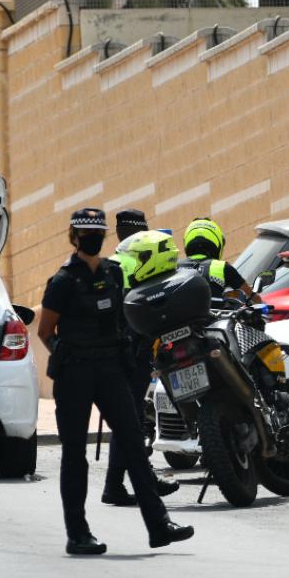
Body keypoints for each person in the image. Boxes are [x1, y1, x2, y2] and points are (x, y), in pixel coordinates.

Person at [38, 209, 193, 555]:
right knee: (74, 455)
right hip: (76, 373)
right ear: (74, 236)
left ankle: (159, 525)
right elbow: (46, 330)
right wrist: (66, 354)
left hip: (110, 370)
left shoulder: (113, 272)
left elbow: (124, 318)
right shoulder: (63, 281)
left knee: (134, 445)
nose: (92, 238)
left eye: (97, 232)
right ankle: (78, 535)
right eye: (86, 233)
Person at [102, 208, 178, 508]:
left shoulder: (112, 263)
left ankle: (119, 484)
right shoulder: (138, 263)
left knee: (128, 419)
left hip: (115, 355)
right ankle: (126, 484)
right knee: (129, 420)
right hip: (130, 355)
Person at [181, 217, 255, 305]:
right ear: (217, 241)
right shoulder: (222, 267)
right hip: (214, 313)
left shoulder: (175, 268)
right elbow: (252, 297)